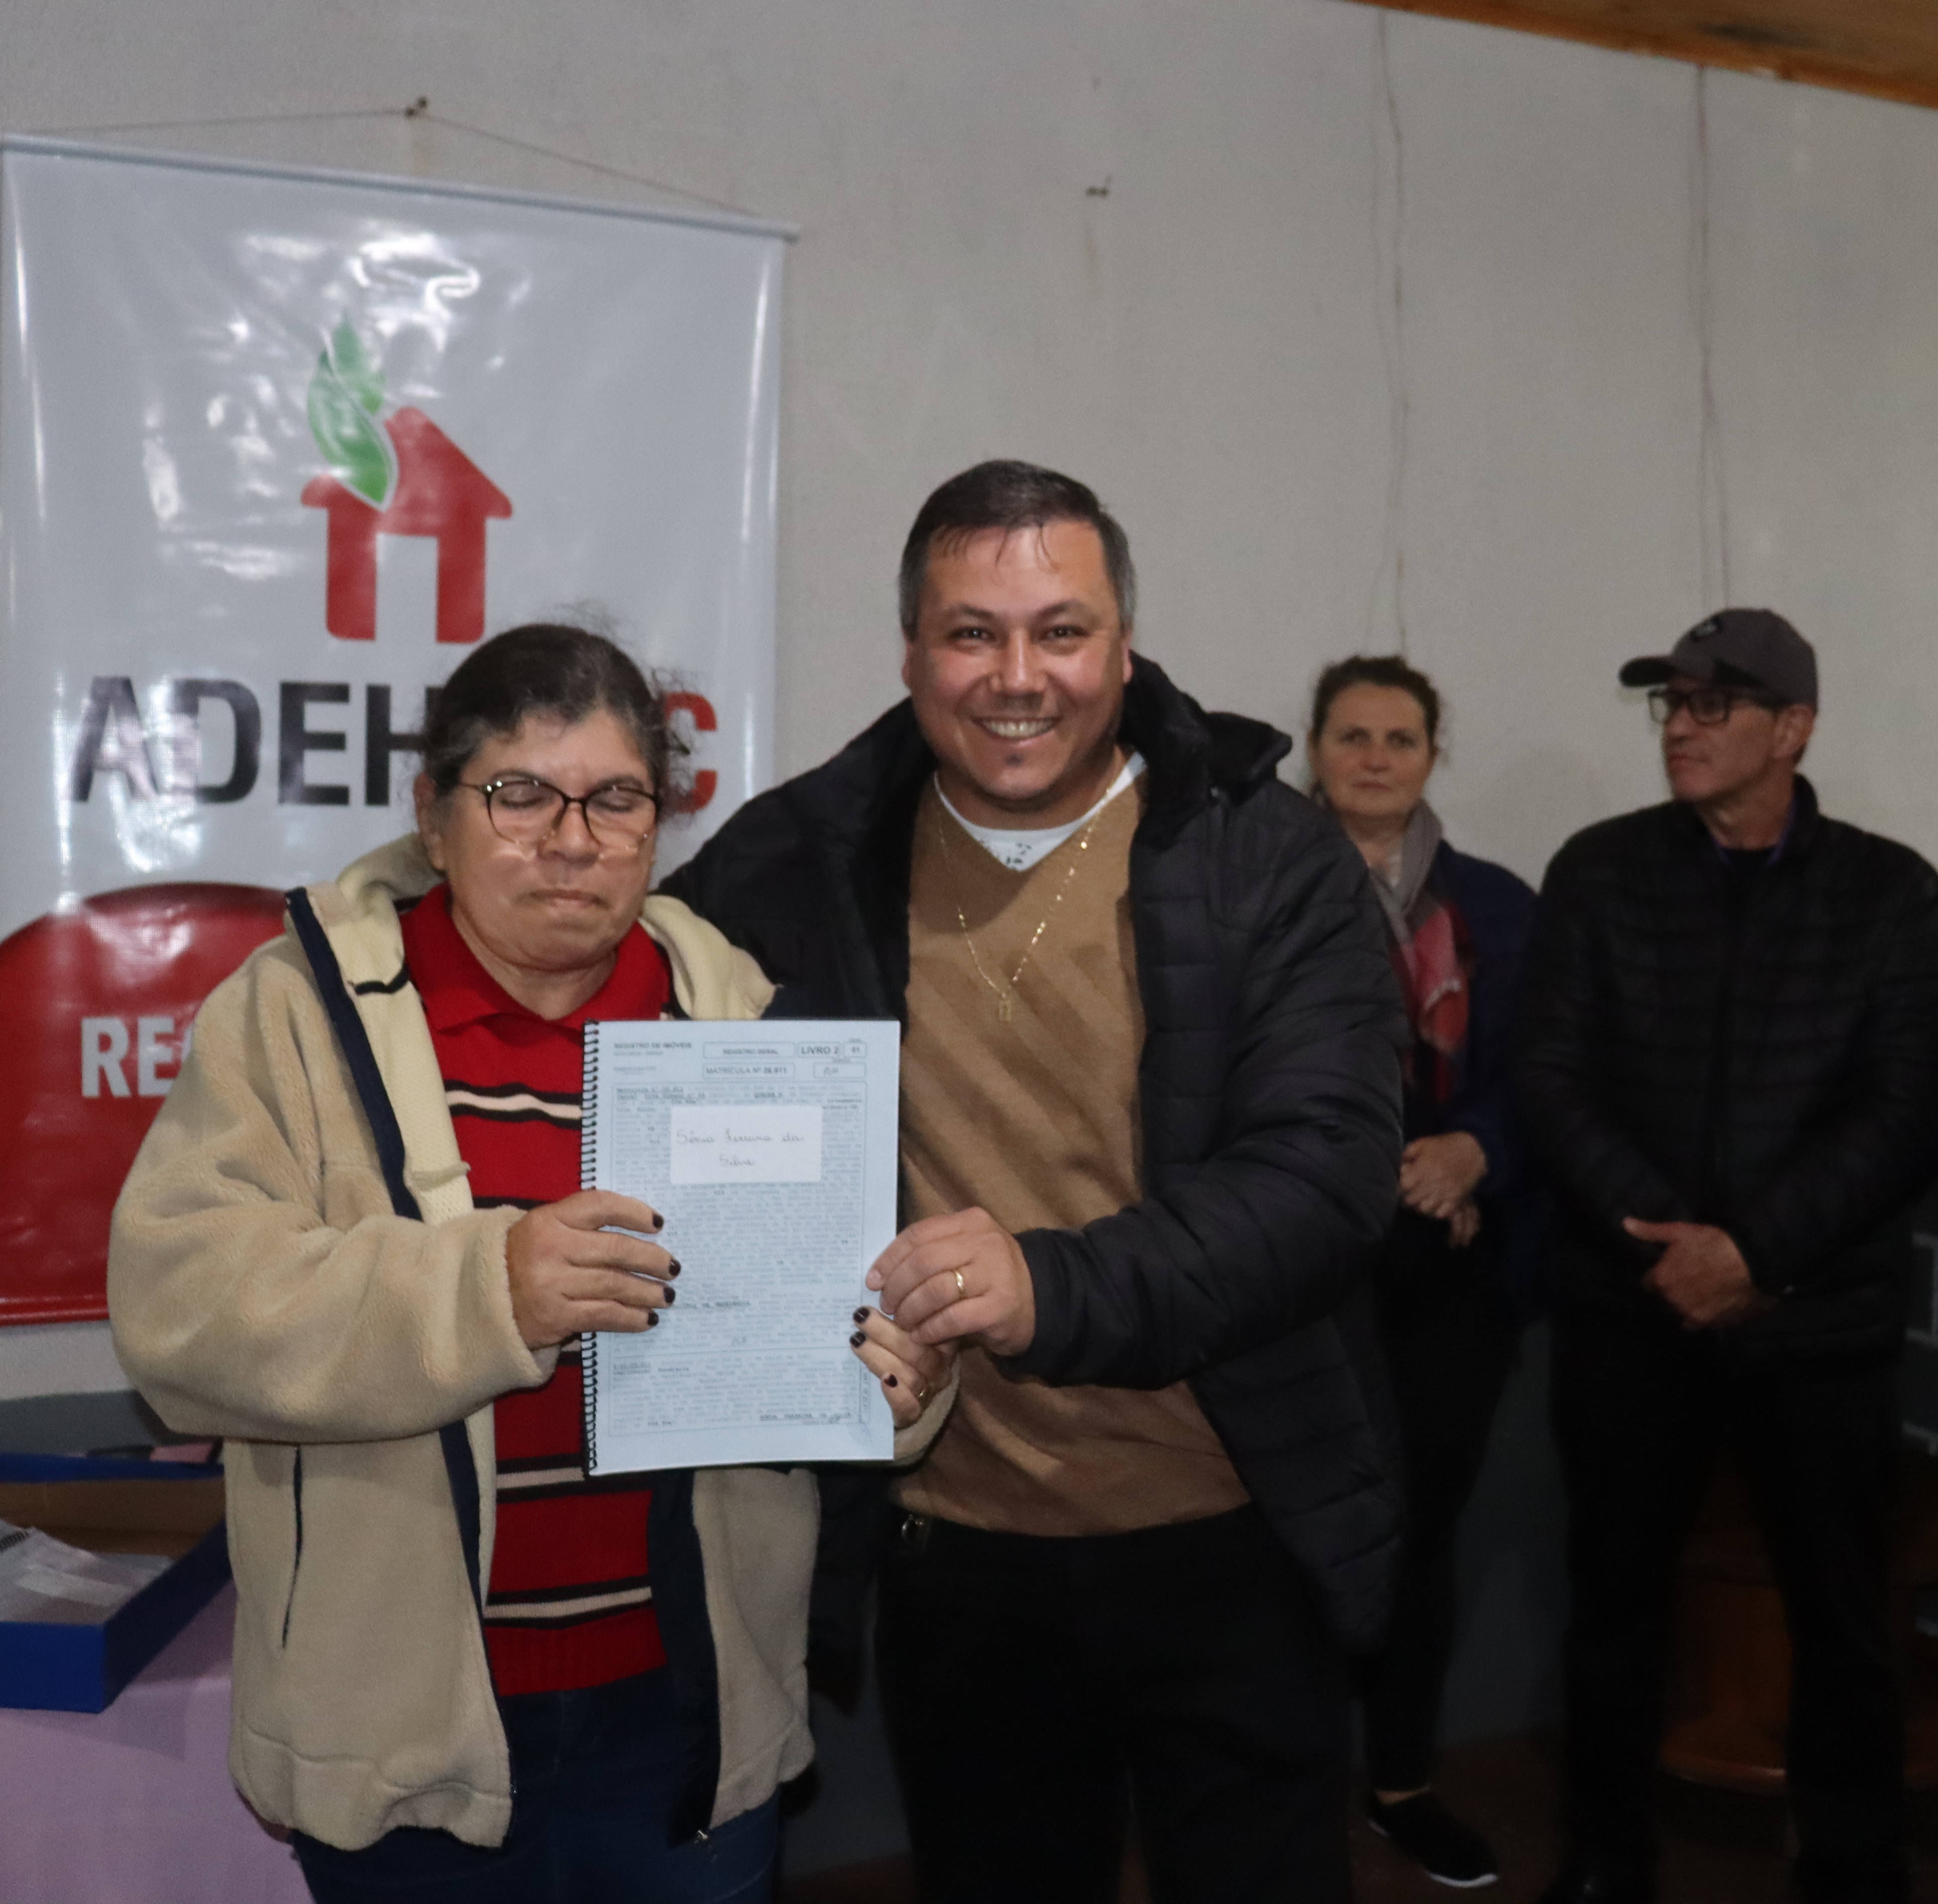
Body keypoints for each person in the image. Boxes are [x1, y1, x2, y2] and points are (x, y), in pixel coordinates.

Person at [107, 624, 953, 1903]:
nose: (572, 840)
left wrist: (899, 1375)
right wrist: (487, 1291)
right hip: (406, 1741)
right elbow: (179, 1316)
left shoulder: (743, 1016)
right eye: (520, 795)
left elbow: (842, 1319)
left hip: (686, 1720)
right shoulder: (294, 1013)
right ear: (433, 815)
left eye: (616, 798)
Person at [662, 460, 1407, 1903]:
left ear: (1122, 647)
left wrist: (1046, 1286)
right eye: (972, 633)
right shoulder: (793, 862)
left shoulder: (1266, 856)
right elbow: (663, 1101)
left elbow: (1324, 1180)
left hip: (1229, 1543)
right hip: (956, 1563)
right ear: (910, 652)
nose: (1018, 678)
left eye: (1061, 631)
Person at [1517, 609, 1938, 1904]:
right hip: (1631, 1311)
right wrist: (1671, 1246)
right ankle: (1605, 1862)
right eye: (1674, 704)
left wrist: (1756, 1252)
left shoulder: (1891, 891)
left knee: (1842, 1617)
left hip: (1818, 1322)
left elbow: (1905, 1108)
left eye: (1715, 705)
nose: (1683, 728)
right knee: (1614, 1608)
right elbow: (1553, 1075)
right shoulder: (1600, 871)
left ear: (1793, 728)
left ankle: (1854, 1867)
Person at [1306, 654, 1539, 1891]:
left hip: (1455, 1263)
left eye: (1401, 738)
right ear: (1315, 751)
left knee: (1420, 1533)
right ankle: (1287, 1782)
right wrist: (1381, 1163)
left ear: (1433, 757)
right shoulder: (1262, 890)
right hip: (1308, 1271)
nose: (1377, 758)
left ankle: (1401, 1784)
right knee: (1298, 1525)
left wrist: (1473, 1151)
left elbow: (1544, 1067)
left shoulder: (1498, 905)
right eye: (1354, 735)